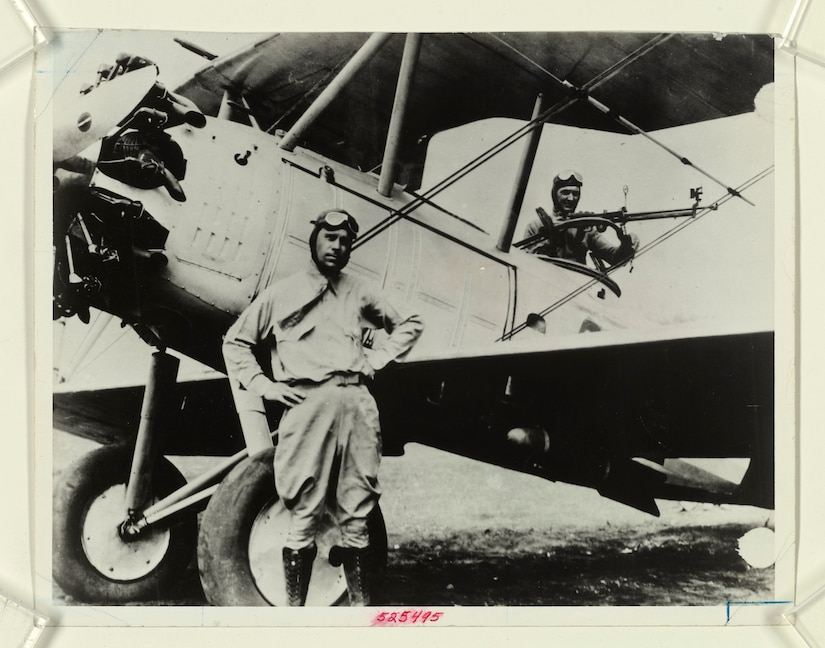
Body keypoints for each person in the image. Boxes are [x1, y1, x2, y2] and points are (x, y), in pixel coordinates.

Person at [222, 209, 424, 607]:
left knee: (358, 507)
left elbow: (410, 323)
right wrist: (265, 386)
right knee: (303, 508)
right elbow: (236, 342)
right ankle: (295, 618)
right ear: (313, 241)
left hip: (356, 404)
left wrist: (377, 360)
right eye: (330, 238)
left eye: (345, 241)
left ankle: (361, 614)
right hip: (306, 403)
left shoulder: (360, 291)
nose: (338, 246)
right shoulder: (283, 293)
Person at [522, 170, 638, 265]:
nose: (571, 198)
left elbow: (614, 258)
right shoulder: (536, 226)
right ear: (554, 194)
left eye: (575, 193)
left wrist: (626, 244)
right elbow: (526, 263)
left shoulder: (585, 228)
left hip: (576, 287)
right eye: (565, 192)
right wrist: (552, 235)